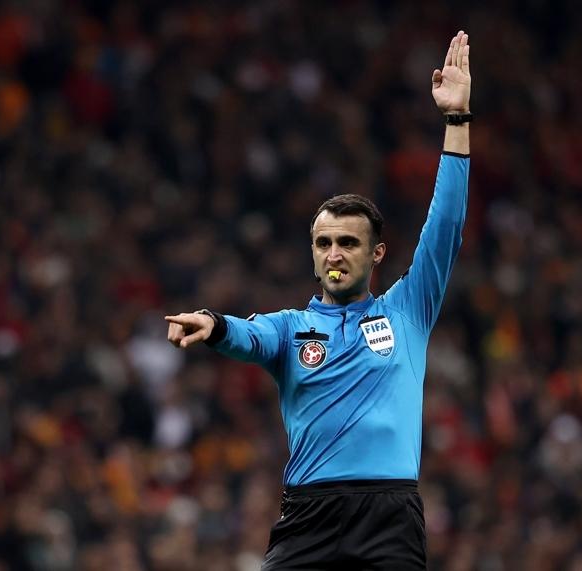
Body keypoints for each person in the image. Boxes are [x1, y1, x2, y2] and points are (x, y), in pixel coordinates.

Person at [166, 30, 472, 571]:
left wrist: (456, 120)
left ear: (376, 254)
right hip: (309, 516)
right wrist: (214, 325)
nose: (334, 253)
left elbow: (445, 224)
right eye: (324, 242)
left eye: (348, 243)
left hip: (389, 517)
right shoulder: (290, 328)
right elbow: (248, 335)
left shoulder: (408, 310)